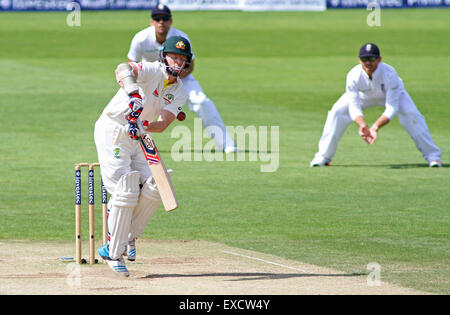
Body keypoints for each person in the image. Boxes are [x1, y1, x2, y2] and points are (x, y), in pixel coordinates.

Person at [94, 36, 191, 276]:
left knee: (158, 185)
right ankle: (114, 253)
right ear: (163, 56)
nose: (178, 63)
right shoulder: (150, 69)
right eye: (174, 57)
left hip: (139, 134)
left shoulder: (179, 91)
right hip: (113, 129)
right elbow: (122, 68)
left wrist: (145, 124)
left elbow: (162, 124)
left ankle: (124, 238)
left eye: (182, 59)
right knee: (125, 190)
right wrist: (133, 91)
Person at [127, 4, 237, 153]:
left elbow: (190, 66)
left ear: (170, 21)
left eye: (164, 18)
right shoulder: (141, 38)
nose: (161, 22)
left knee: (202, 102)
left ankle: (225, 143)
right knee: (139, 106)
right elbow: (131, 63)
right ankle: (130, 140)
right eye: (157, 18)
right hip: (150, 77)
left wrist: (172, 81)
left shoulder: (181, 38)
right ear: (151, 21)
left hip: (181, 78)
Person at [310, 43, 442, 168]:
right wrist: (362, 125)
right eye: (365, 59)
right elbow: (354, 106)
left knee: (410, 113)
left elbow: (392, 107)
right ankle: (323, 156)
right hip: (364, 96)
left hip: (390, 96)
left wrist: (375, 127)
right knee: (337, 111)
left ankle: (433, 156)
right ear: (359, 60)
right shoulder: (353, 76)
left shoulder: (390, 74)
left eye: (372, 59)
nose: (368, 63)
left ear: (379, 60)